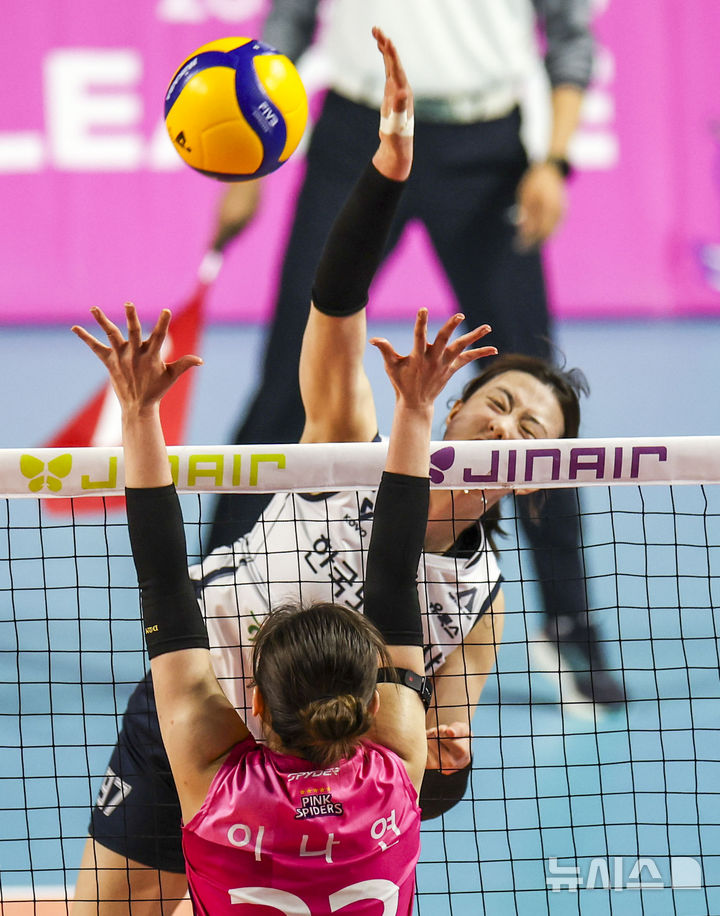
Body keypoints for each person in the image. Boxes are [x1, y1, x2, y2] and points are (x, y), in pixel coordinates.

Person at [70, 27, 586, 914]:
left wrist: (449, 769)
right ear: (452, 412)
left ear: (535, 473)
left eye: (529, 426)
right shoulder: (348, 441)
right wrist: (386, 174)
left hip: (322, 770)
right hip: (201, 704)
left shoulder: (481, 599)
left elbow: (425, 763)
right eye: (495, 401)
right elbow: (335, 299)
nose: (504, 423)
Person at [205, 0, 624, 708]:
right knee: (287, 384)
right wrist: (247, 168)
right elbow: (286, 27)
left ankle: (569, 623)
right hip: (356, 136)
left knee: (534, 400)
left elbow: (570, 36)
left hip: (487, 151)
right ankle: (211, 601)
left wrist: (553, 160)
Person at [72, 286, 494, 914]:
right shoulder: (397, 773)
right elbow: (393, 577)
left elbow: (165, 580)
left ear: (257, 704)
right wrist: (415, 410)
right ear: (374, 706)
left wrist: (137, 412)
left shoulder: (211, 788)